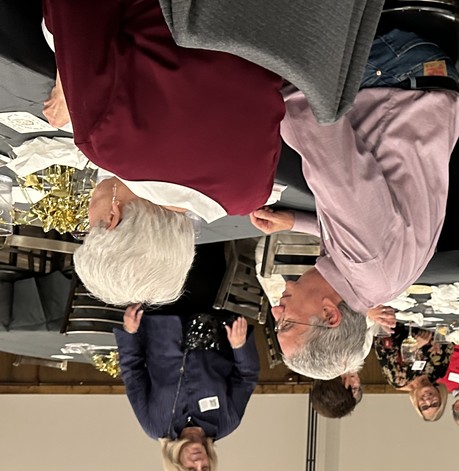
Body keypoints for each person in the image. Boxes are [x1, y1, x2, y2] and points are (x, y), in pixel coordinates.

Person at [252, 29, 459, 380]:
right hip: (400, 74)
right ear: (330, 315)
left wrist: (295, 222)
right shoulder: (367, 261)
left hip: (423, 93)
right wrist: (270, 90)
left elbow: (353, 225)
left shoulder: (374, 284)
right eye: (286, 323)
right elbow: (319, 131)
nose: (276, 312)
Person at [41, 0, 285, 306]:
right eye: (87, 229)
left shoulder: (250, 195)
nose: (86, 217)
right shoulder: (105, 145)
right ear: (112, 218)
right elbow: (75, 10)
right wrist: (68, 80)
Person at [115, 305, 260, 471]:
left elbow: (133, 374)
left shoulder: (154, 425)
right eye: (204, 467)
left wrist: (130, 333)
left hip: (162, 320)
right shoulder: (226, 422)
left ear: (175, 463)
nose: (198, 461)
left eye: (192, 469)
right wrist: (239, 347)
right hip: (214, 314)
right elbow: (246, 377)